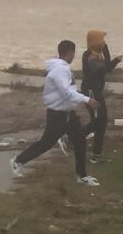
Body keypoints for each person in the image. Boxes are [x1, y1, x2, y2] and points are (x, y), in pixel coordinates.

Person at [10, 40, 101, 186]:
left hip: (68, 114)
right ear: (70, 53)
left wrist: (80, 99)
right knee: (46, 143)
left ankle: (82, 176)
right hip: (58, 115)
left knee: (80, 142)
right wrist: (87, 100)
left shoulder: (63, 68)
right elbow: (66, 92)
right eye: (73, 53)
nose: (74, 56)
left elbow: (69, 90)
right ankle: (18, 160)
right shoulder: (60, 70)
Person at [80, 30, 123, 163]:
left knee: (100, 122)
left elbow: (107, 64)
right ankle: (73, 138)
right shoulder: (90, 57)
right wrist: (117, 60)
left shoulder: (97, 54)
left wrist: (106, 48)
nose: (104, 42)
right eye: (101, 40)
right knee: (99, 121)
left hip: (96, 91)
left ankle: (96, 154)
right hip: (91, 93)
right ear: (94, 41)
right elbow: (106, 68)